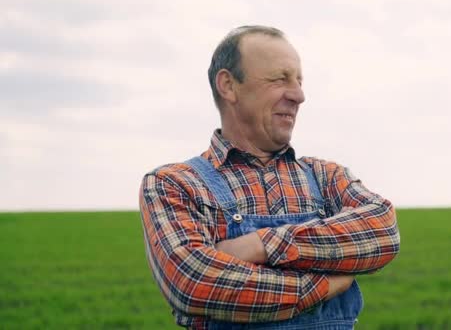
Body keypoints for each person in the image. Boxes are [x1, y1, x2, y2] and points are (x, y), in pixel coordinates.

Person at [139, 25, 400, 329]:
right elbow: (193, 282)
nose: (299, 95)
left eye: (299, 81)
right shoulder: (175, 184)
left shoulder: (326, 176)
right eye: (280, 79)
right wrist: (325, 286)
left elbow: (383, 231)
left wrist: (262, 244)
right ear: (228, 85)